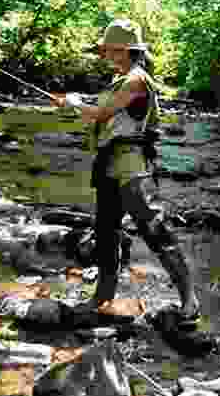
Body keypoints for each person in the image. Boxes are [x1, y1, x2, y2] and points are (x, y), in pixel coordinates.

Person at [49, 19, 200, 327]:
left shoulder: (136, 81)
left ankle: (189, 302)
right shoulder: (119, 81)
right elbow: (102, 113)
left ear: (124, 51)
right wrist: (71, 102)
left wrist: (75, 103)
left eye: (109, 50)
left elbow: (102, 113)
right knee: (106, 233)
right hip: (108, 165)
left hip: (133, 168)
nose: (105, 55)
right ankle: (102, 298)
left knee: (155, 233)